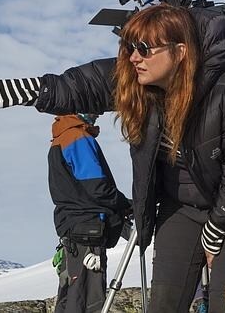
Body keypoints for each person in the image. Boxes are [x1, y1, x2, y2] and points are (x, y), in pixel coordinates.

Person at [0, 3, 225, 313]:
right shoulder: (135, 84)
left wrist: (216, 231)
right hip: (181, 208)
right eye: (130, 48)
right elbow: (67, 88)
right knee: (164, 303)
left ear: (180, 52)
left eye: (144, 49)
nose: (134, 58)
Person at [48, 113, 131, 312]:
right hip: (88, 229)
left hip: (73, 229)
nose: (98, 113)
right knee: (88, 300)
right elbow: (96, 186)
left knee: (71, 296)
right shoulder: (77, 138)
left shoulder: (61, 138)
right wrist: (126, 204)